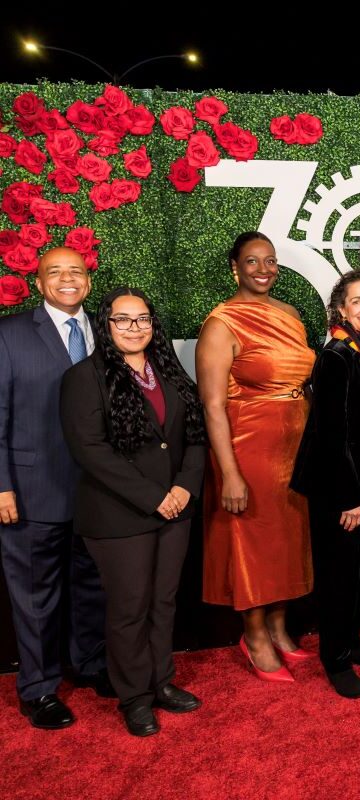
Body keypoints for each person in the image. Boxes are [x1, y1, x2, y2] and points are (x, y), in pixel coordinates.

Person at [60, 287, 205, 736]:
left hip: (176, 509)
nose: (134, 327)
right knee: (129, 608)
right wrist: (153, 497)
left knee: (163, 602)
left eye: (142, 319)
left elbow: (195, 437)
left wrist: (184, 487)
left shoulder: (169, 371)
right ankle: (134, 698)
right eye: (122, 320)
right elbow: (90, 451)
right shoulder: (84, 377)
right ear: (106, 326)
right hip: (119, 515)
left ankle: (161, 682)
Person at [0, 246, 110, 730]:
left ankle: (89, 665)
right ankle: (39, 688)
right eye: (55, 272)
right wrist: (1, 487)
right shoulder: (9, 335)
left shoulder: (106, 331)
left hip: (98, 494)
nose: (68, 280)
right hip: (31, 489)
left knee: (92, 586)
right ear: (39, 283)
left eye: (76, 271)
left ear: (87, 280)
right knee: (35, 596)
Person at [197, 231, 315, 682]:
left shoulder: (290, 314)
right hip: (248, 447)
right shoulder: (221, 323)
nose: (263, 270)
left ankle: (281, 628)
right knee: (252, 542)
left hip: (295, 444)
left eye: (270, 261)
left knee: (287, 539)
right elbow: (211, 405)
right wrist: (229, 473)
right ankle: (255, 634)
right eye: (252, 262)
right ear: (235, 267)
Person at [291, 270, 360, 699]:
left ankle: (351, 643)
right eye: (357, 301)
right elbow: (334, 434)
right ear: (340, 309)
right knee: (338, 574)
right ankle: (335, 660)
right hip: (340, 485)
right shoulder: (335, 356)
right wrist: (351, 496)